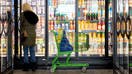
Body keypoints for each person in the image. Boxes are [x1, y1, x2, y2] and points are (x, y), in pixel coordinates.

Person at [20, 3, 38, 71]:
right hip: (33, 34)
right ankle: (33, 66)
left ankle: (26, 66)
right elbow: (35, 23)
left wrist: (22, 30)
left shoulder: (23, 15)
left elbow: (20, 24)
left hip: (26, 35)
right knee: (32, 50)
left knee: (25, 50)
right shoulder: (33, 15)